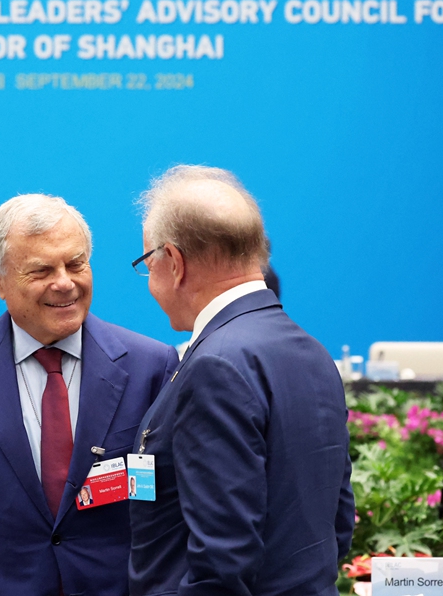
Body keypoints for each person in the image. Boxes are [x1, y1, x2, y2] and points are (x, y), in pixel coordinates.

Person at [0, 195, 178, 596]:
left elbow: (171, 511)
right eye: (41, 270)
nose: (65, 282)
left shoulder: (151, 366)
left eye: (76, 264)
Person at [128, 166, 354, 596]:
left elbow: (221, 563)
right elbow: (336, 523)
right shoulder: (315, 354)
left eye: (147, 262)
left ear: (173, 262)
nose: (149, 280)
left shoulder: (216, 365)